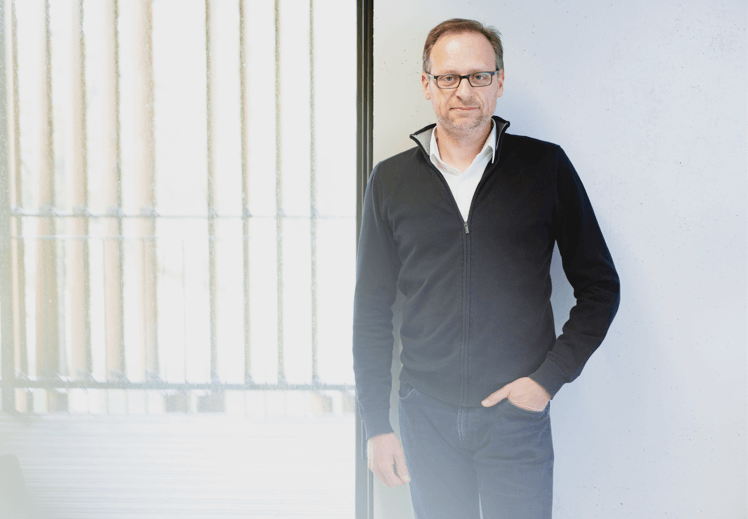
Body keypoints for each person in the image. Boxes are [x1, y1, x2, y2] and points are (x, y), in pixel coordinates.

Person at [352, 18, 620, 519]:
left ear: (499, 82)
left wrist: (547, 380)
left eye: (479, 76)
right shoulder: (390, 181)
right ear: (427, 84)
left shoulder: (546, 168)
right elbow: (370, 310)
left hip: (514, 418)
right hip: (425, 416)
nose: (464, 91)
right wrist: (376, 426)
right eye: (448, 77)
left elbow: (601, 287)